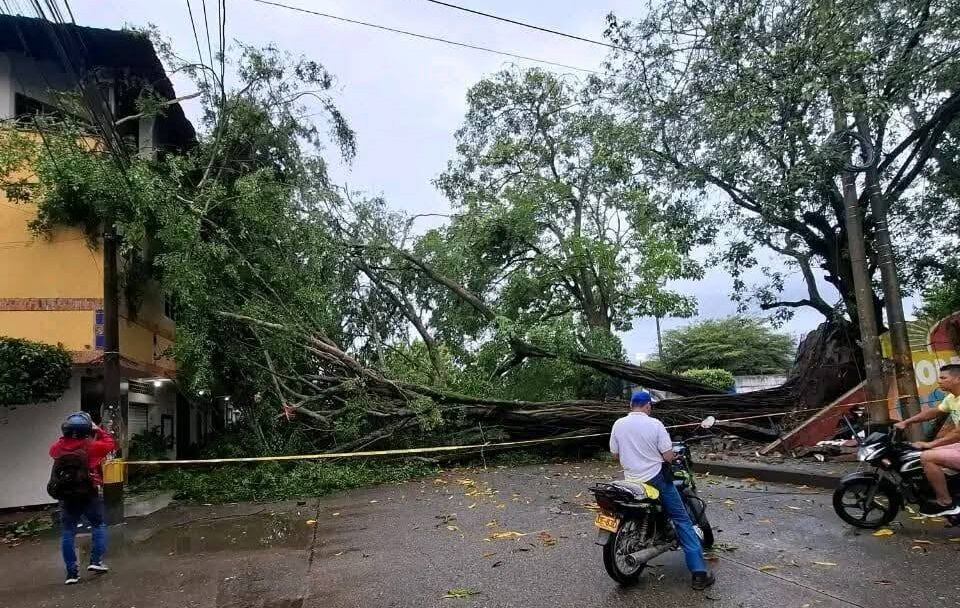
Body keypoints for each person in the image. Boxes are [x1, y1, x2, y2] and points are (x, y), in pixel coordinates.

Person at [609, 390, 715, 590]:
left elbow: (615, 455)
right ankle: (699, 573)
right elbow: (667, 456)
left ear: (631, 405)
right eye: (651, 406)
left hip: (631, 481)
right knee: (682, 519)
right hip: (655, 480)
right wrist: (670, 456)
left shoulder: (618, 424)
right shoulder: (655, 424)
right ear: (648, 406)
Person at [48, 412, 117, 585]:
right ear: (87, 429)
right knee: (98, 524)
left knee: (68, 531)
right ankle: (95, 561)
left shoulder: (58, 448)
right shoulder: (91, 447)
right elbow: (110, 444)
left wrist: (67, 437)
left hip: (67, 495)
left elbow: (53, 451)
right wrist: (98, 429)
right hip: (88, 493)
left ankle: (71, 574)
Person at [894, 364, 960, 516]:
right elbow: (933, 412)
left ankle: (946, 503)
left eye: (944, 378)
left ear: (958, 379)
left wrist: (930, 443)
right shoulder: (952, 398)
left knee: (927, 457)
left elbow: (958, 433)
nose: (939, 381)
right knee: (926, 453)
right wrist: (907, 422)